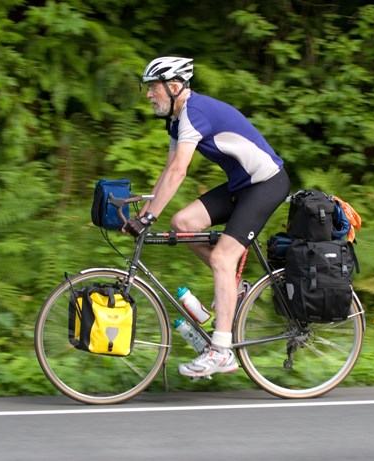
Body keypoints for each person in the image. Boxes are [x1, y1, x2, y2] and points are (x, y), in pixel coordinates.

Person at [122, 56, 290, 378]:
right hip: (243, 185)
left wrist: (147, 218)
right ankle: (235, 288)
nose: (148, 95)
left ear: (174, 87)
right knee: (183, 224)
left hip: (266, 184)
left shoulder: (194, 113)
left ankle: (222, 351)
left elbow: (179, 171)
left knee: (223, 260)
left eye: (153, 88)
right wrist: (144, 215)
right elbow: (168, 170)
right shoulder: (176, 120)